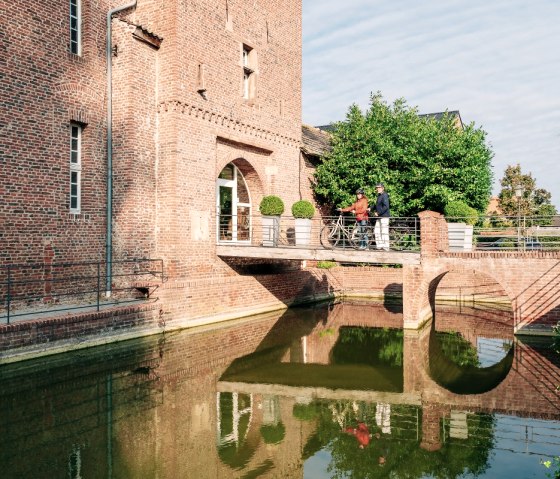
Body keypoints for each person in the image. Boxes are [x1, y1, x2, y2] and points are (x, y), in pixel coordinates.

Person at [373, 183, 390, 251]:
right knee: (376, 231)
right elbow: (376, 205)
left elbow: (386, 206)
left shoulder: (384, 195)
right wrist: (370, 208)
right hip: (380, 217)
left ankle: (386, 247)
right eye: (377, 188)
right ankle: (380, 246)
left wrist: (378, 213)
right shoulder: (379, 195)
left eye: (379, 187)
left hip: (384, 216)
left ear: (383, 188)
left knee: (384, 231)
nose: (377, 189)